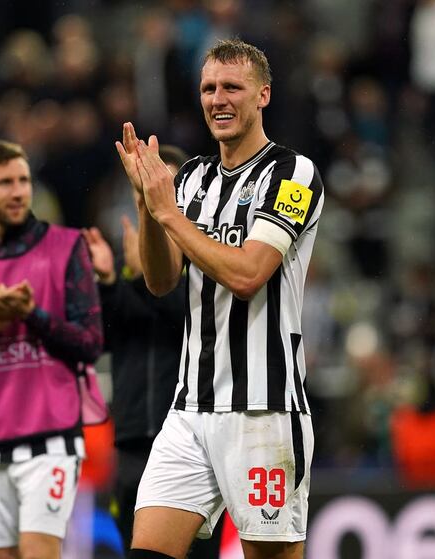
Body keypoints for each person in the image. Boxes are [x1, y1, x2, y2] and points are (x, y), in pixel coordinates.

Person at [115, 39, 325, 559]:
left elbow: (250, 273)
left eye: (232, 87)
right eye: (209, 88)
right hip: (190, 408)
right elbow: (161, 280)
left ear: (263, 96)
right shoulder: (192, 178)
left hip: (264, 409)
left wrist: (169, 215)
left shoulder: (292, 174)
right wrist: (147, 204)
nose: (217, 99)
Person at [0, 139, 103, 559]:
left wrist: (34, 315)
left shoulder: (67, 248)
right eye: (5, 183)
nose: (18, 192)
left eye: (24, 181)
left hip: (52, 441)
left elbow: (90, 344)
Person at [84, 145, 221, 558]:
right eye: (149, 187)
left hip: (191, 439)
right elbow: (98, 340)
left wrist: (142, 276)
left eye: (170, 187)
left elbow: (176, 309)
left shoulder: (204, 265)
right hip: (130, 442)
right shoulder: (125, 277)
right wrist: (108, 283)